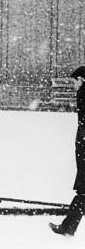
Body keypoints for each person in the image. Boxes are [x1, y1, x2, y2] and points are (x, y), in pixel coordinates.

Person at [50, 65, 85, 235]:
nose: (73, 86)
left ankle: (68, 227)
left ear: (81, 80)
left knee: (83, 192)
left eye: (74, 82)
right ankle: (68, 227)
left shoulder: (83, 94)